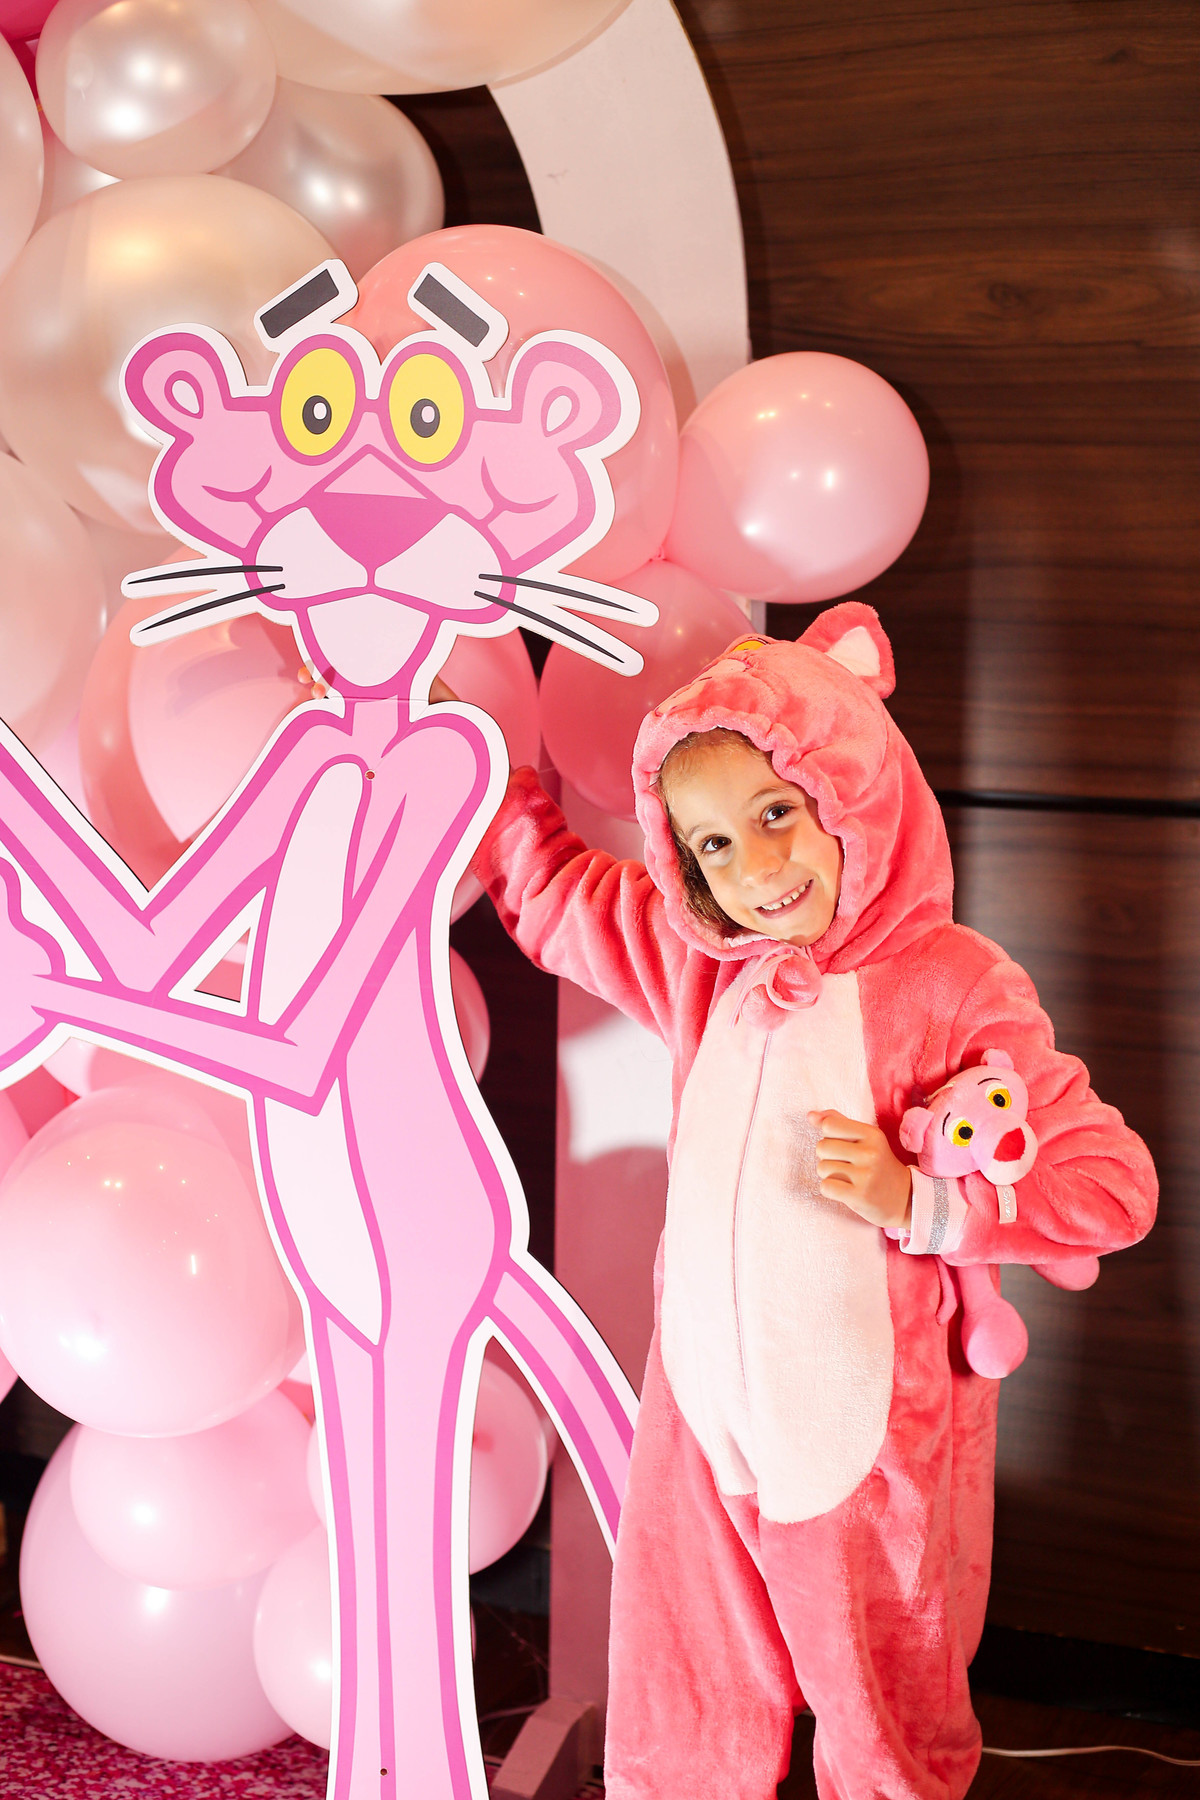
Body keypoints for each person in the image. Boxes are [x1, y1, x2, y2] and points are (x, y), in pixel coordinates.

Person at [451, 601, 1157, 1800]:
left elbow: (1108, 1185)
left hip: (864, 1439)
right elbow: (559, 893)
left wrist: (924, 1201)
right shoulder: (702, 961)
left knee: (880, 1707)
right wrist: (477, 761)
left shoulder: (950, 982)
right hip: (700, 1417)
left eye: (777, 814)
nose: (756, 871)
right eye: (713, 846)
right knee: (685, 1698)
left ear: (855, 789)